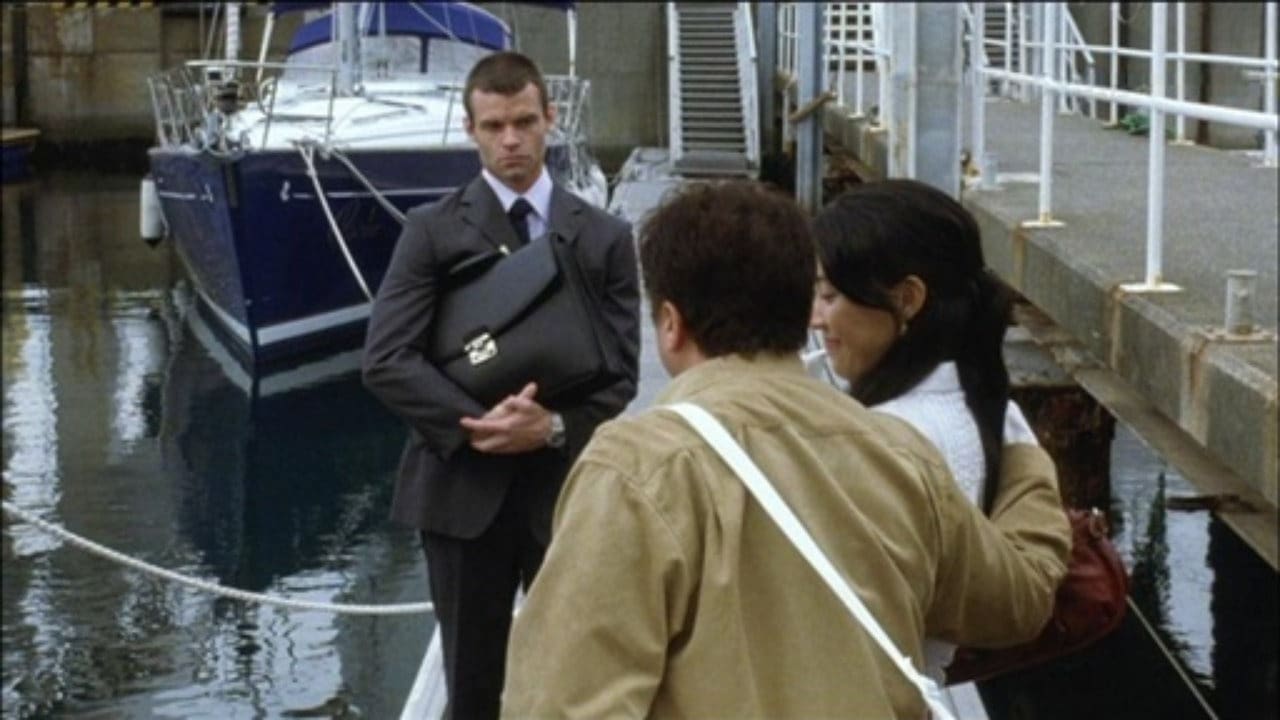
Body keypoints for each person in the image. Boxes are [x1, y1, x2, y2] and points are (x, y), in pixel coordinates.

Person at [501, 181, 1071, 718]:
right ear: (801, 310)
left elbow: (563, 702)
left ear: (670, 324)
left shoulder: (637, 470)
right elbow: (1017, 603)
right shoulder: (901, 455)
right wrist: (1024, 459)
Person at [362, 51, 640, 720]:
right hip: (460, 497)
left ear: (550, 118)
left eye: (523, 122)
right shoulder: (430, 232)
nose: (510, 140)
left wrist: (549, 428)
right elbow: (387, 359)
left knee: (571, 685)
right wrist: (484, 428)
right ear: (470, 130)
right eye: (493, 126)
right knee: (472, 690)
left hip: (563, 496)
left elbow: (622, 375)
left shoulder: (604, 238)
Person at [809, 178, 1051, 682]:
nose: (815, 318)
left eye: (830, 295)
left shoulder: (891, 439)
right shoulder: (978, 403)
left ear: (907, 299)